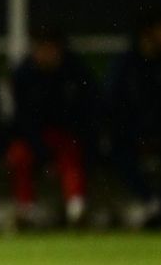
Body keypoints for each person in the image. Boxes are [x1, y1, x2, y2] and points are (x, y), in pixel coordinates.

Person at [6, 26, 96, 227]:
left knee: (73, 155)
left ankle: (76, 209)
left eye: (50, 49)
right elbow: (23, 120)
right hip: (33, 137)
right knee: (18, 156)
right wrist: (42, 153)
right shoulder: (23, 75)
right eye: (41, 48)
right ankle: (25, 211)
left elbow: (86, 115)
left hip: (67, 136)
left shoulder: (76, 73)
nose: (45, 54)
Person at [107, 9, 161, 227]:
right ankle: (151, 203)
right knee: (117, 151)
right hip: (133, 136)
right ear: (147, 34)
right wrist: (138, 135)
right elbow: (113, 108)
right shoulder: (125, 66)